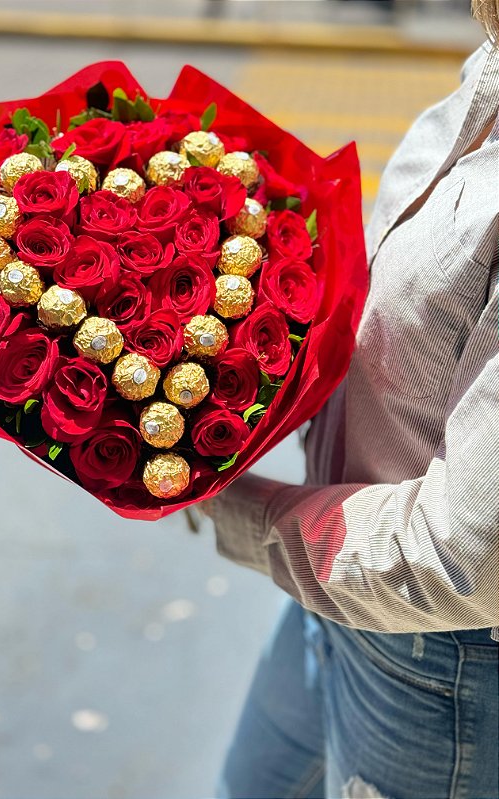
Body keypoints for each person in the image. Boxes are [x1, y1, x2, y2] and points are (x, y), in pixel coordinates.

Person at [204, 3, 499, 797]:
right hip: (334, 585)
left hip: (437, 659)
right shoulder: (489, 65)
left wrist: (242, 512)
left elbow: (465, 559)